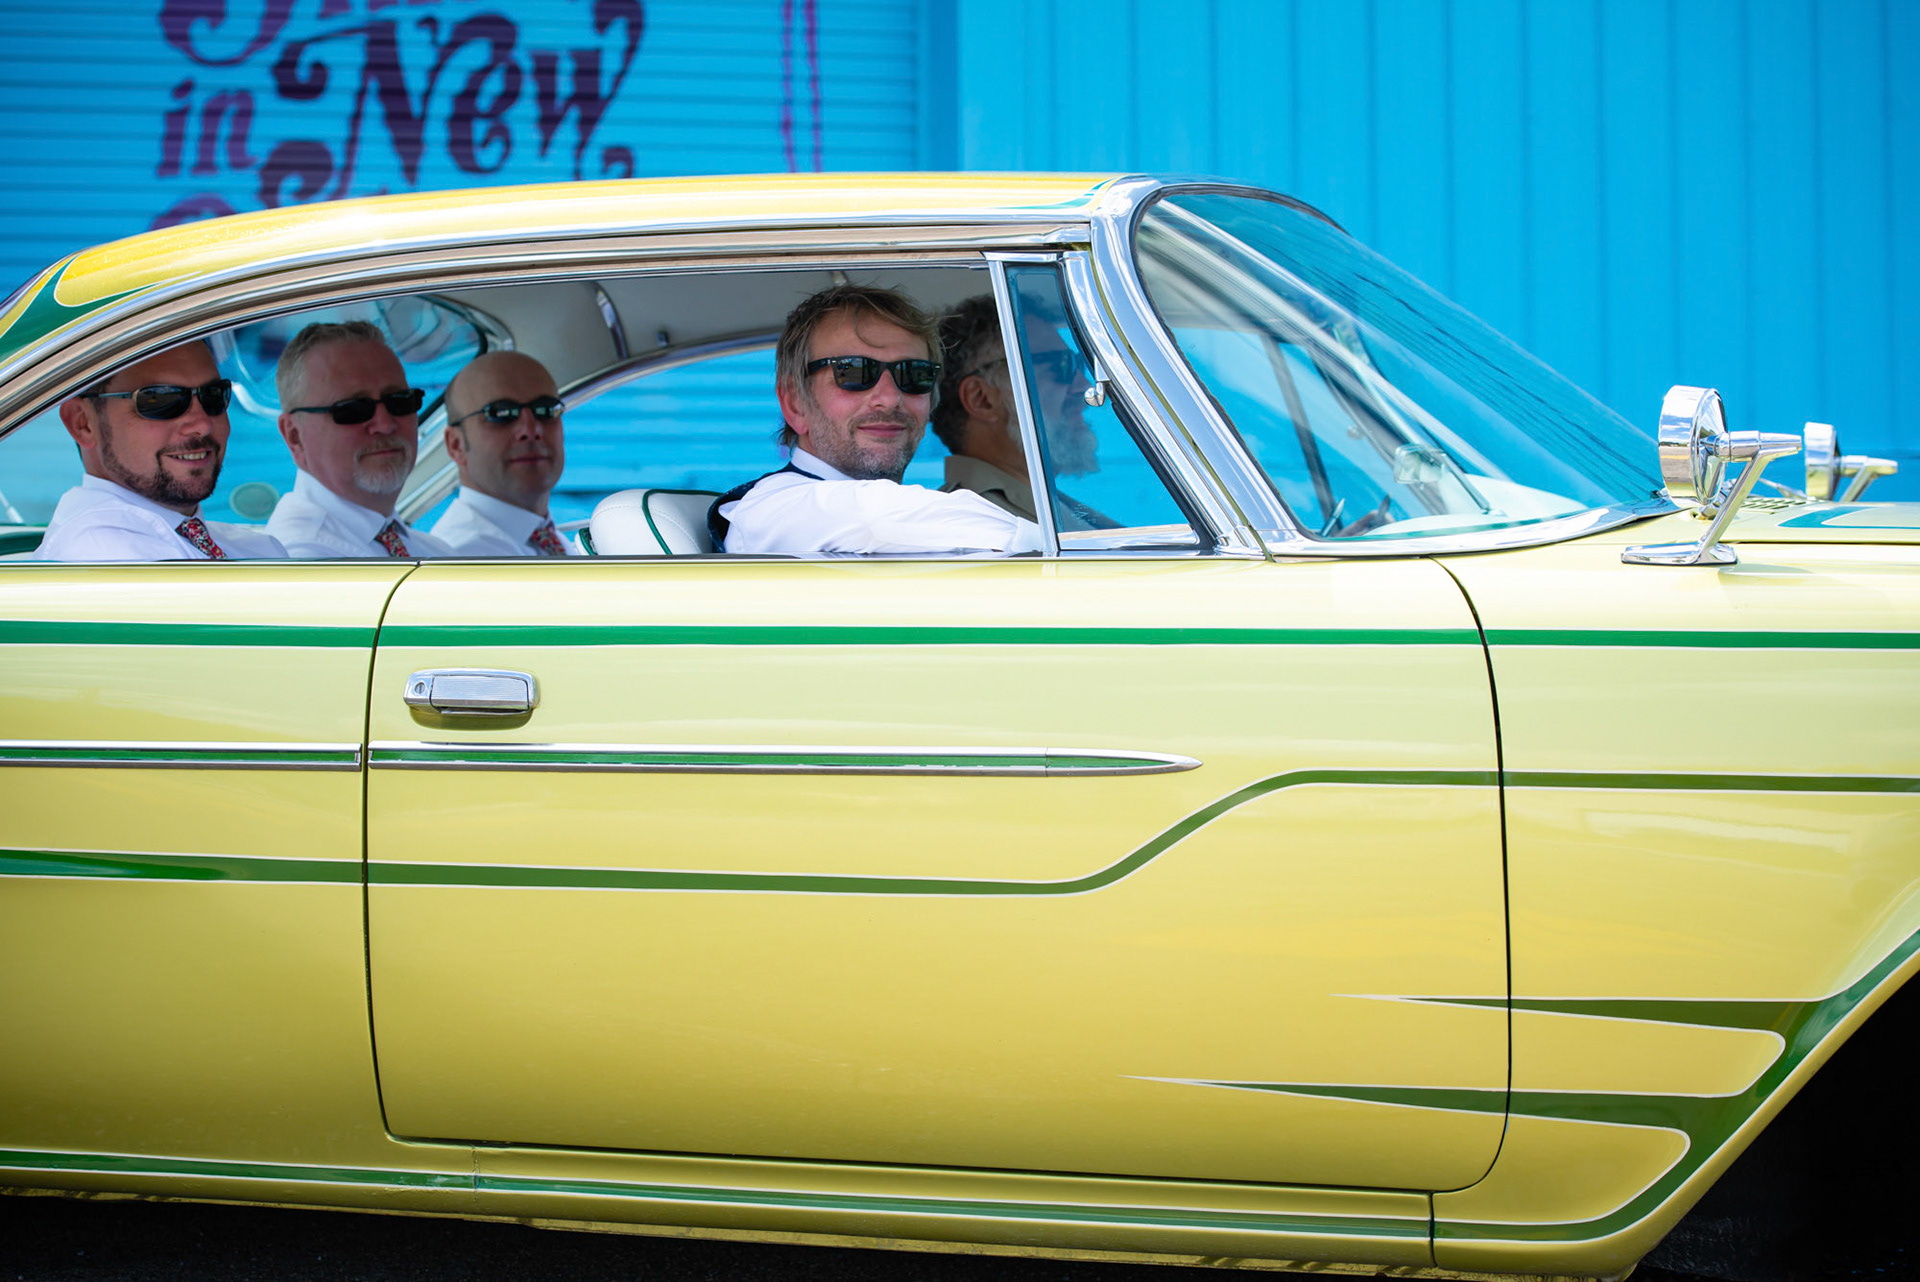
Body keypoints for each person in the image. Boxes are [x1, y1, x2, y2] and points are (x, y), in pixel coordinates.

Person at [707, 284, 1043, 555]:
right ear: (795, 403)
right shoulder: (771, 510)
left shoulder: (931, 526)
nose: (890, 398)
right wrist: (1054, 543)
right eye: (853, 372)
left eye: (914, 374)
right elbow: (874, 518)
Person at [36, 340, 286, 560]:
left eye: (213, 395)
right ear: (83, 424)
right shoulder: (100, 556)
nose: (202, 424)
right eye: (160, 400)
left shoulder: (257, 548)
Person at [266, 321, 455, 558]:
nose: (385, 425)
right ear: (294, 435)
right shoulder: (300, 560)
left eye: (400, 401)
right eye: (353, 409)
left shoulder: (434, 550)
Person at [931, 294, 1107, 530]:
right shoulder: (976, 529)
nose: (1084, 386)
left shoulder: (1038, 507)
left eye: (1077, 363)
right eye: (1060, 365)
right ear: (982, 399)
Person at [430, 351, 572, 556]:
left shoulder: (550, 540)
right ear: (456, 445)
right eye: (501, 413)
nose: (531, 430)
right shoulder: (457, 562)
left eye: (546, 410)